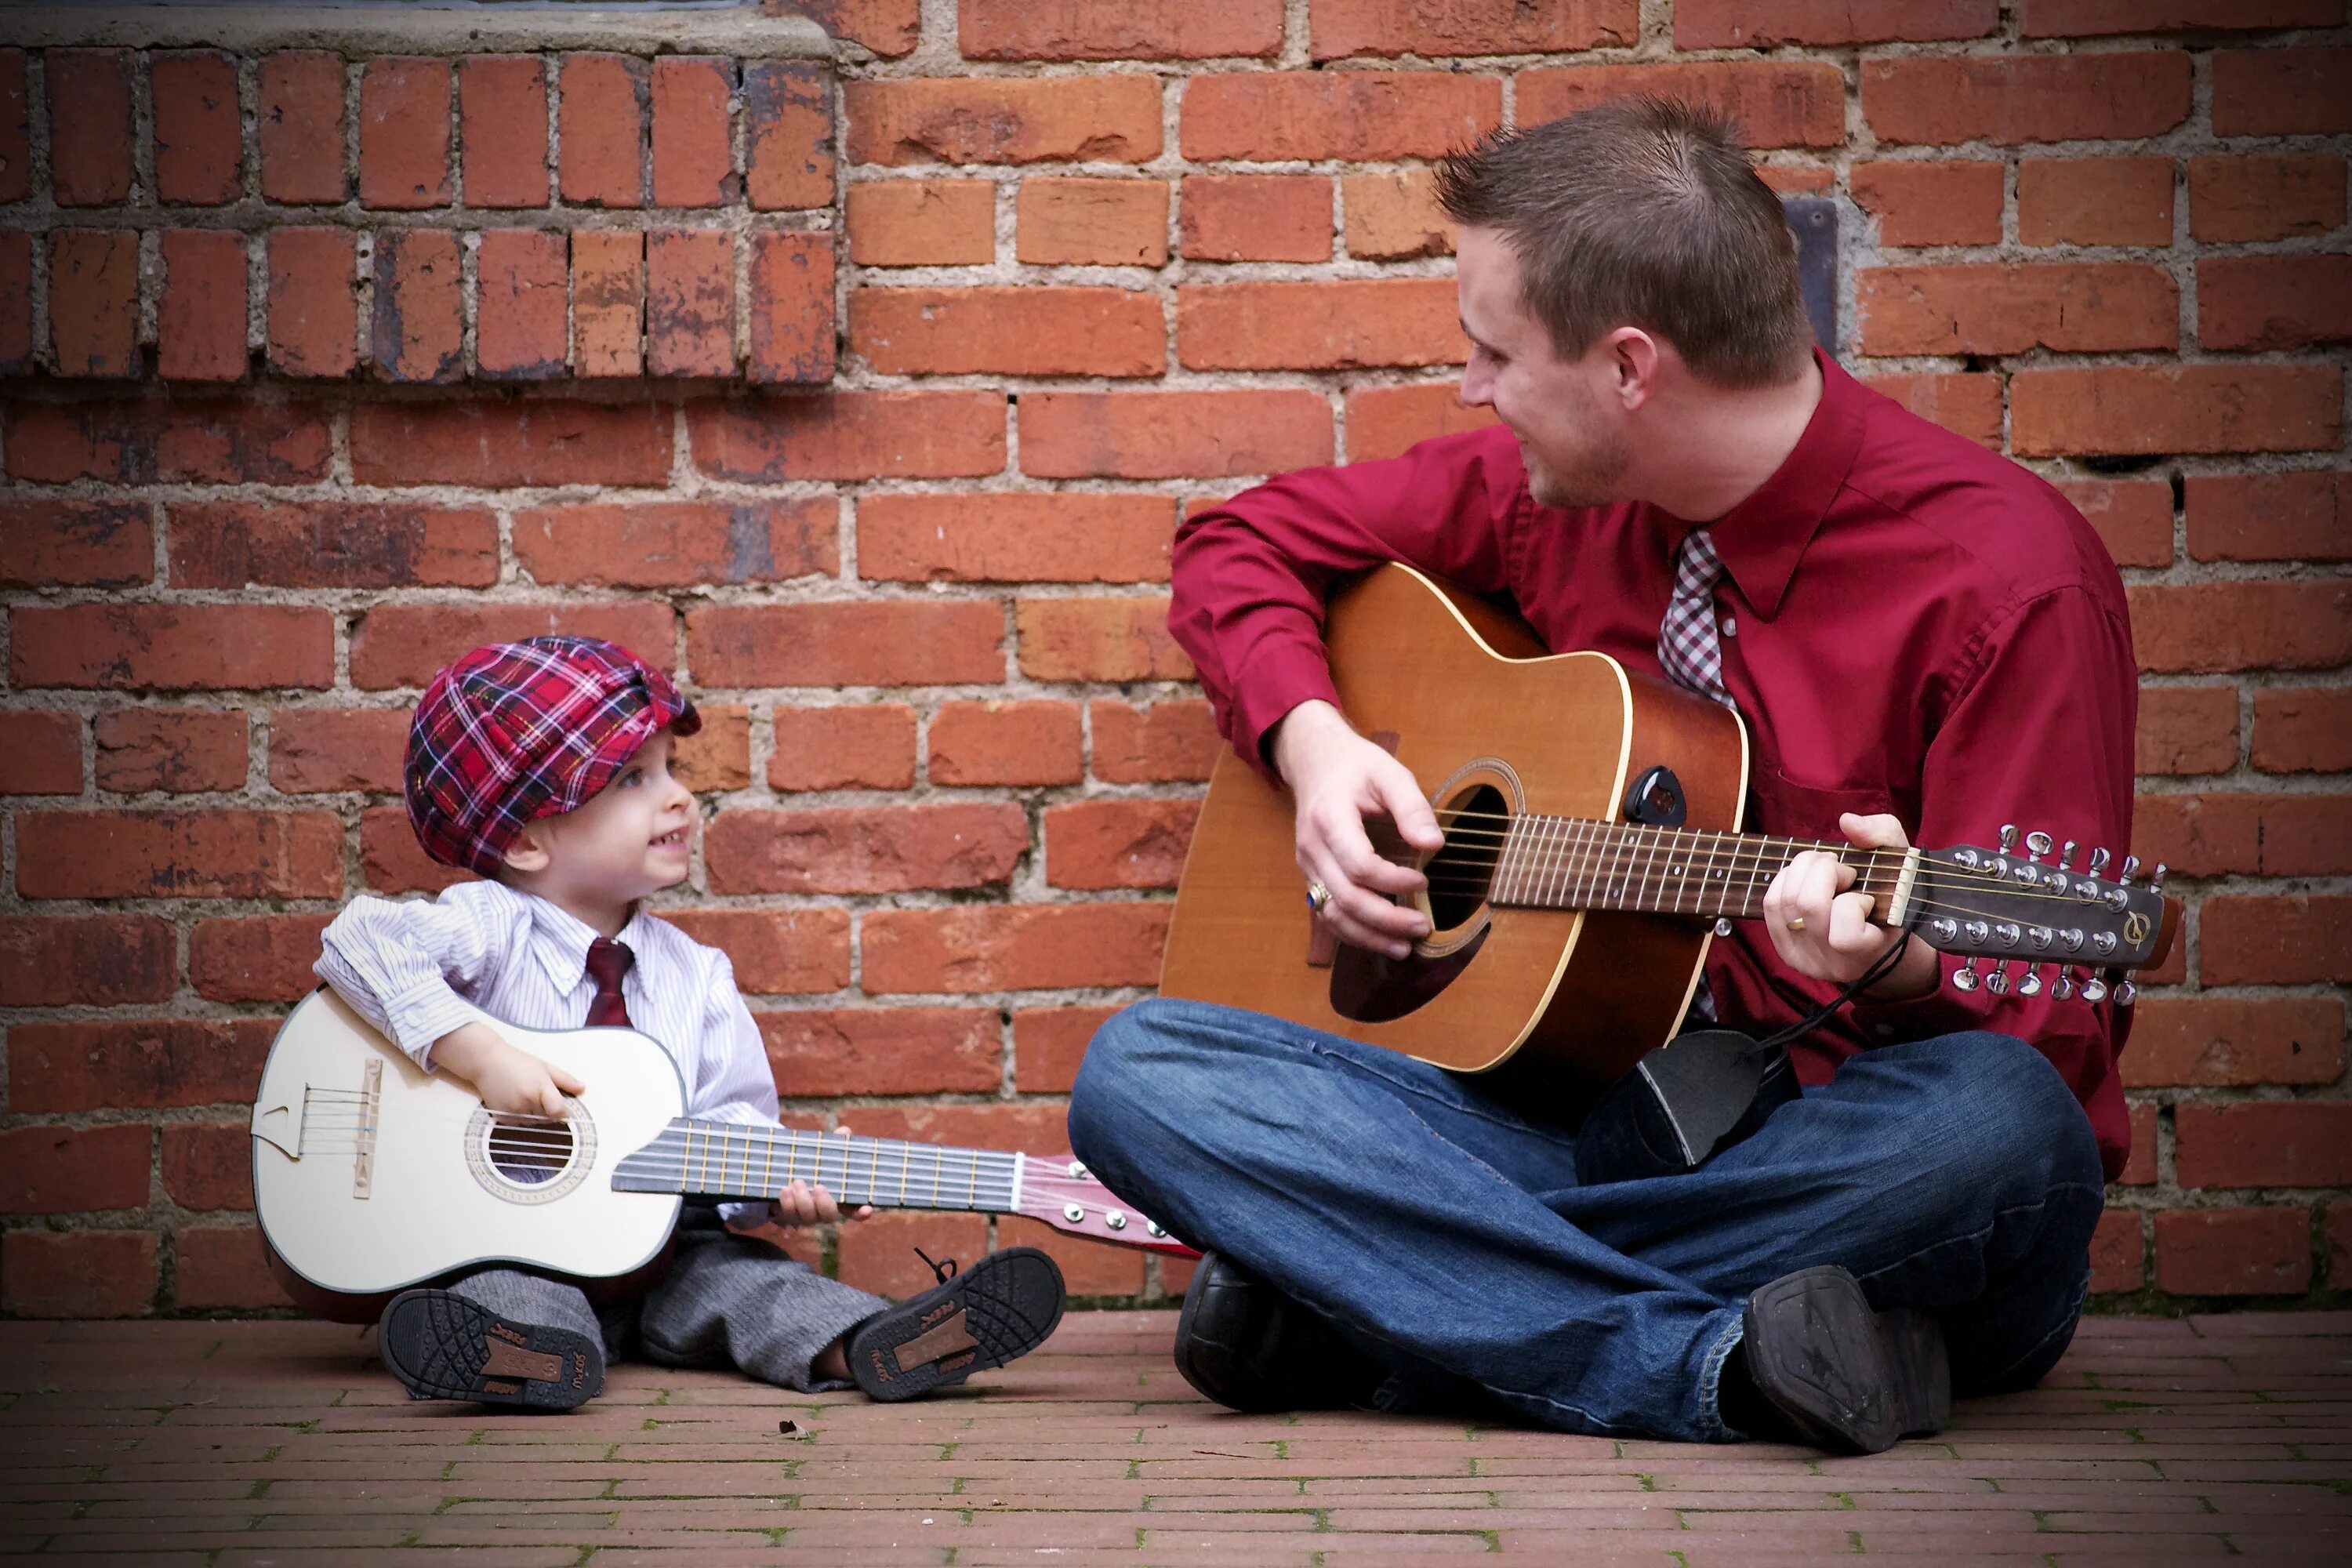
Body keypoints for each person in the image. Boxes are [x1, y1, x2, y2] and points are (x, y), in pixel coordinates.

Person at [1067, 97, 2136, 1454]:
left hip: (1835, 1171)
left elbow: (2048, 1040)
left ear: (1629, 369)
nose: (1471, 389)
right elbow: (1242, 545)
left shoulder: (2008, 583)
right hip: (1582, 1129)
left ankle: (1383, 1299)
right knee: (1143, 1074)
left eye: (1493, 353)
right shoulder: (1551, 496)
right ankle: (1715, 1367)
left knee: (1999, 1130)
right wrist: (1317, 745)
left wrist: (1898, 974)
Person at [315, 634, 1065, 1410]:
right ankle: (511, 1354)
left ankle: (877, 1343)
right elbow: (358, 940)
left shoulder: (696, 975)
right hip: (511, 1245)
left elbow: (734, 1126)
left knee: (760, 1283)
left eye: (672, 769)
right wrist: (477, 1055)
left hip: (671, 1248)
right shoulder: (490, 927)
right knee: (511, 1293)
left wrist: (778, 1190)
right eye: (634, 778)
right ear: (524, 839)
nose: (675, 795)